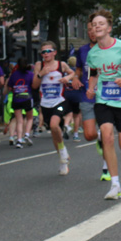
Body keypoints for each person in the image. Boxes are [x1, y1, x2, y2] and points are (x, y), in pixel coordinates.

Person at [84, 9, 121, 201]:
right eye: (94, 25)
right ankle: (115, 185)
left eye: (101, 24)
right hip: (103, 100)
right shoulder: (92, 53)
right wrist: (91, 88)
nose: (97, 27)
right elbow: (93, 73)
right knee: (106, 136)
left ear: (109, 28)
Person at [33, 41, 76, 177]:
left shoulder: (61, 65)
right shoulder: (39, 65)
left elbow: (73, 73)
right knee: (54, 133)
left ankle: (63, 152)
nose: (45, 54)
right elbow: (34, 85)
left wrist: (67, 77)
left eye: (48, 51)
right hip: (46, 103)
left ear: (54, 52)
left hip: (60, 101)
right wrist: (41, 74)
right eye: (43, 52)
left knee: (54, 124)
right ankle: (63, 160)